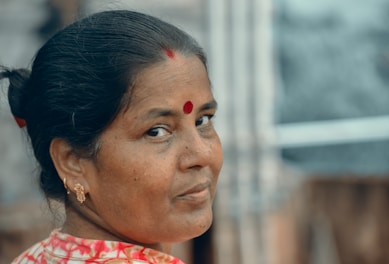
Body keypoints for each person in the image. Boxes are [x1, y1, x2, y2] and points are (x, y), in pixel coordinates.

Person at [0, 10, 223, 264]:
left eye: (202, 120)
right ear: (72, 161)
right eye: (157, 131)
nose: (202, 154)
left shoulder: (33, 258)